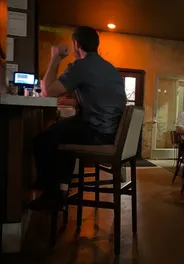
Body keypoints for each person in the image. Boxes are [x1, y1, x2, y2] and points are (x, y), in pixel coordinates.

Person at [29, 26, 126, 210]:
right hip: (111, 132)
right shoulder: (110, 68)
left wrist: (55, 57)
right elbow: (98, 98)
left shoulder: (81, 65)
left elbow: (47, 91)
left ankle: (52, 195)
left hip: (97, 133)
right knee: (61, 131)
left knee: (43, 140)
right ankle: (59, 185)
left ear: (76, 45)